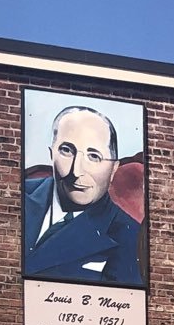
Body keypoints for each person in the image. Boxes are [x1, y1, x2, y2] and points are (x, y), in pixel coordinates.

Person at [22, 106, 142, 284]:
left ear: (113, 170)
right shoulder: (18, 196)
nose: (76, 171)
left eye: (94, 156)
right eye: (67, 151)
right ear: (51, 154)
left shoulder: (129, 235)